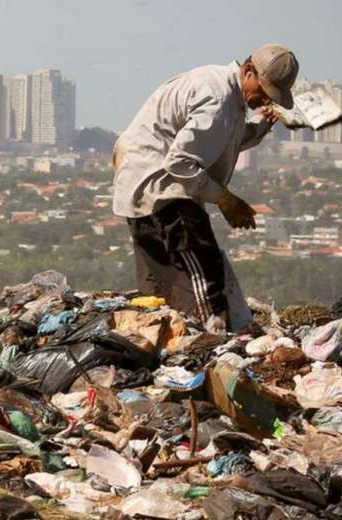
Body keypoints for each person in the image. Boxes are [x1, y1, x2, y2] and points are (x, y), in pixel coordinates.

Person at [111, 44, 299, 330]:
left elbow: (222, 139)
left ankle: (165, 341)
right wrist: (224, 199)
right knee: (203, 275)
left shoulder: (226, 92)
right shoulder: (218, 99)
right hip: (162, 188)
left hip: (144, 185)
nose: (263, 100)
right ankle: (210, 338)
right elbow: (179, 163)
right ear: (248, 70)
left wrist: (261, 126)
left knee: (160, 286)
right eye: (263, 92)